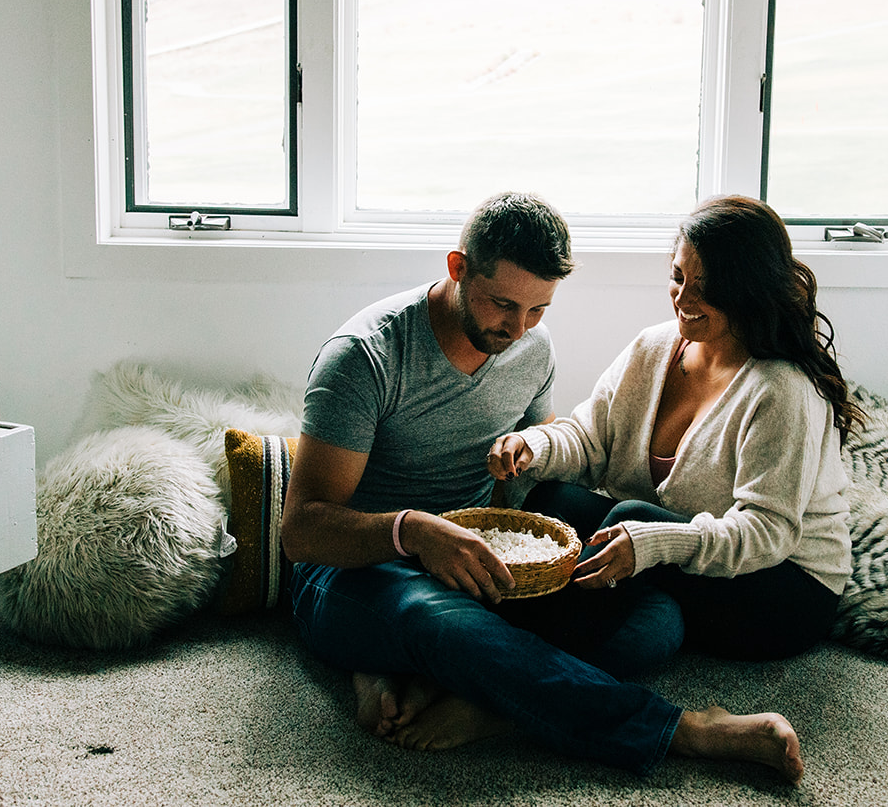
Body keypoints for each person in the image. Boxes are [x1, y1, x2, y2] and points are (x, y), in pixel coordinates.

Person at [280, 191, 806, 781]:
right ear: (458, 269)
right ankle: (683, 730)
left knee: (657, 621)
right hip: (361, 563)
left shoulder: (531, 346)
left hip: (478, 554)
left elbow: (553, 457)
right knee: (444, 623)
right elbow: (301, 532)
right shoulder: (364, 358)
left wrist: (531, 455)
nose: (518, 327)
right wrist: (415, 533)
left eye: (537, 310)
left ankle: (418, 669)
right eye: (502, 305)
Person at [489, 194, 860, 663]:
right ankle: (619, 620)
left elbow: (768, 532)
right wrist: (532, 445)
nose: (684, 300)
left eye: (707, 287)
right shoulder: (654, 347)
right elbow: (588, 439)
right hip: (690, 552)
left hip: (783, 588)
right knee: (550, 503)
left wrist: (655, 543)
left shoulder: (781, 388)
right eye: (678, 277)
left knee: (630, 518)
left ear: (749, 288)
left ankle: (515, 667)